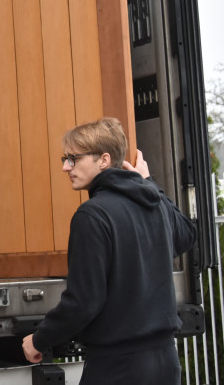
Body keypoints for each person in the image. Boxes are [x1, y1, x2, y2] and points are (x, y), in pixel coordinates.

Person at [21, 117, 196, 384]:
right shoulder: (153, 202)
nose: (66, 167)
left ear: (103, 160)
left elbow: (84, 301)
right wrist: (150, 183)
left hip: (118, 366)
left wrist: (40, 339)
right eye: (65, 159)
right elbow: (186, 235)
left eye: (74, 158)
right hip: (165, 363)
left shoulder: (92, 215)